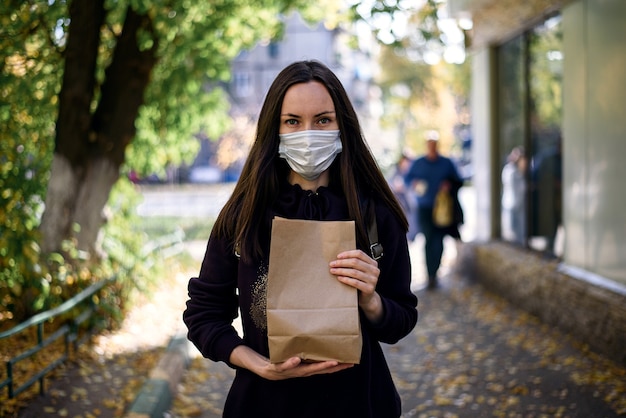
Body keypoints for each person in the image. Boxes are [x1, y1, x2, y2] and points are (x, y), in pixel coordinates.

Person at [183, 60, 418, 418]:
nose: (308, 133)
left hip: (360, 405)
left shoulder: (375, 215)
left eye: (323, 120)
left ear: (342, 126)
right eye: (293, 121)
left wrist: (371, 300)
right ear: (274, 129)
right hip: (263, 406)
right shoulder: (242, 217)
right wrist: (257, 364)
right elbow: (203, 316)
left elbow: (401, 320)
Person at [404, 130, 463, 289]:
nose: (431, 146)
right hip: (424, 208)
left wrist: (448, 185)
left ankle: (435, 272)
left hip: (442, 209)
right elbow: (407, 179)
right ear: (426, 145)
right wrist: (414, 184)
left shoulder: (446, 163)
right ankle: (430, 275)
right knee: (429, 239)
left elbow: (458, 180)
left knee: (439, 240)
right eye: (429, 143)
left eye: (434, 143)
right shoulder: (418, 163)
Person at [389, 152, 419, 241]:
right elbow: (389, 184)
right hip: (398, 205)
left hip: (410, 206)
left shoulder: (413, 173)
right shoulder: (394, 172)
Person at [501, 146, 527, 244]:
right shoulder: (511, 171)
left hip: (516, 205)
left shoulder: (515, 171)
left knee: (519, 233)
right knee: (514, 233)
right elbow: (520, 188)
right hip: (513, 205)